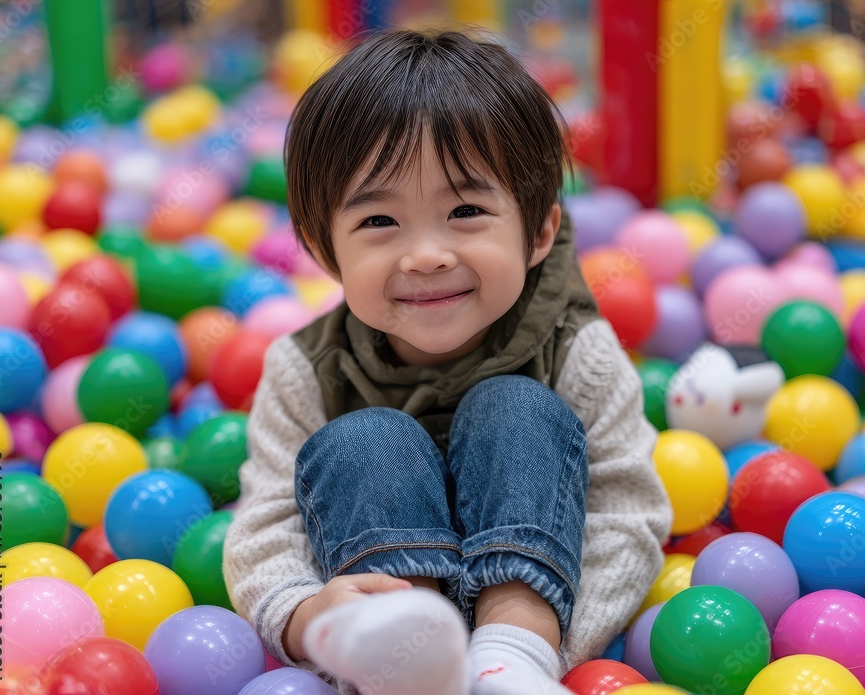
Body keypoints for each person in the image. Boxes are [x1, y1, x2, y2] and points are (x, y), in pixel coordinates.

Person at [222, 28, 671, 695]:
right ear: (324, 248)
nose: (425, 254)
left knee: (514, 407)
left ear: (539, 231)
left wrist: (542, 650)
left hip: (526, 643)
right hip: (390, 649)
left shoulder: (578, 350)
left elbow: (624, 515)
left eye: (465, 210)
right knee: (367, 436)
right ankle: (405, 657)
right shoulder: (303, 369)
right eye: (379, 222)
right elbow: (265, 528)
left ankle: (506, 654)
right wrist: (306, 616)